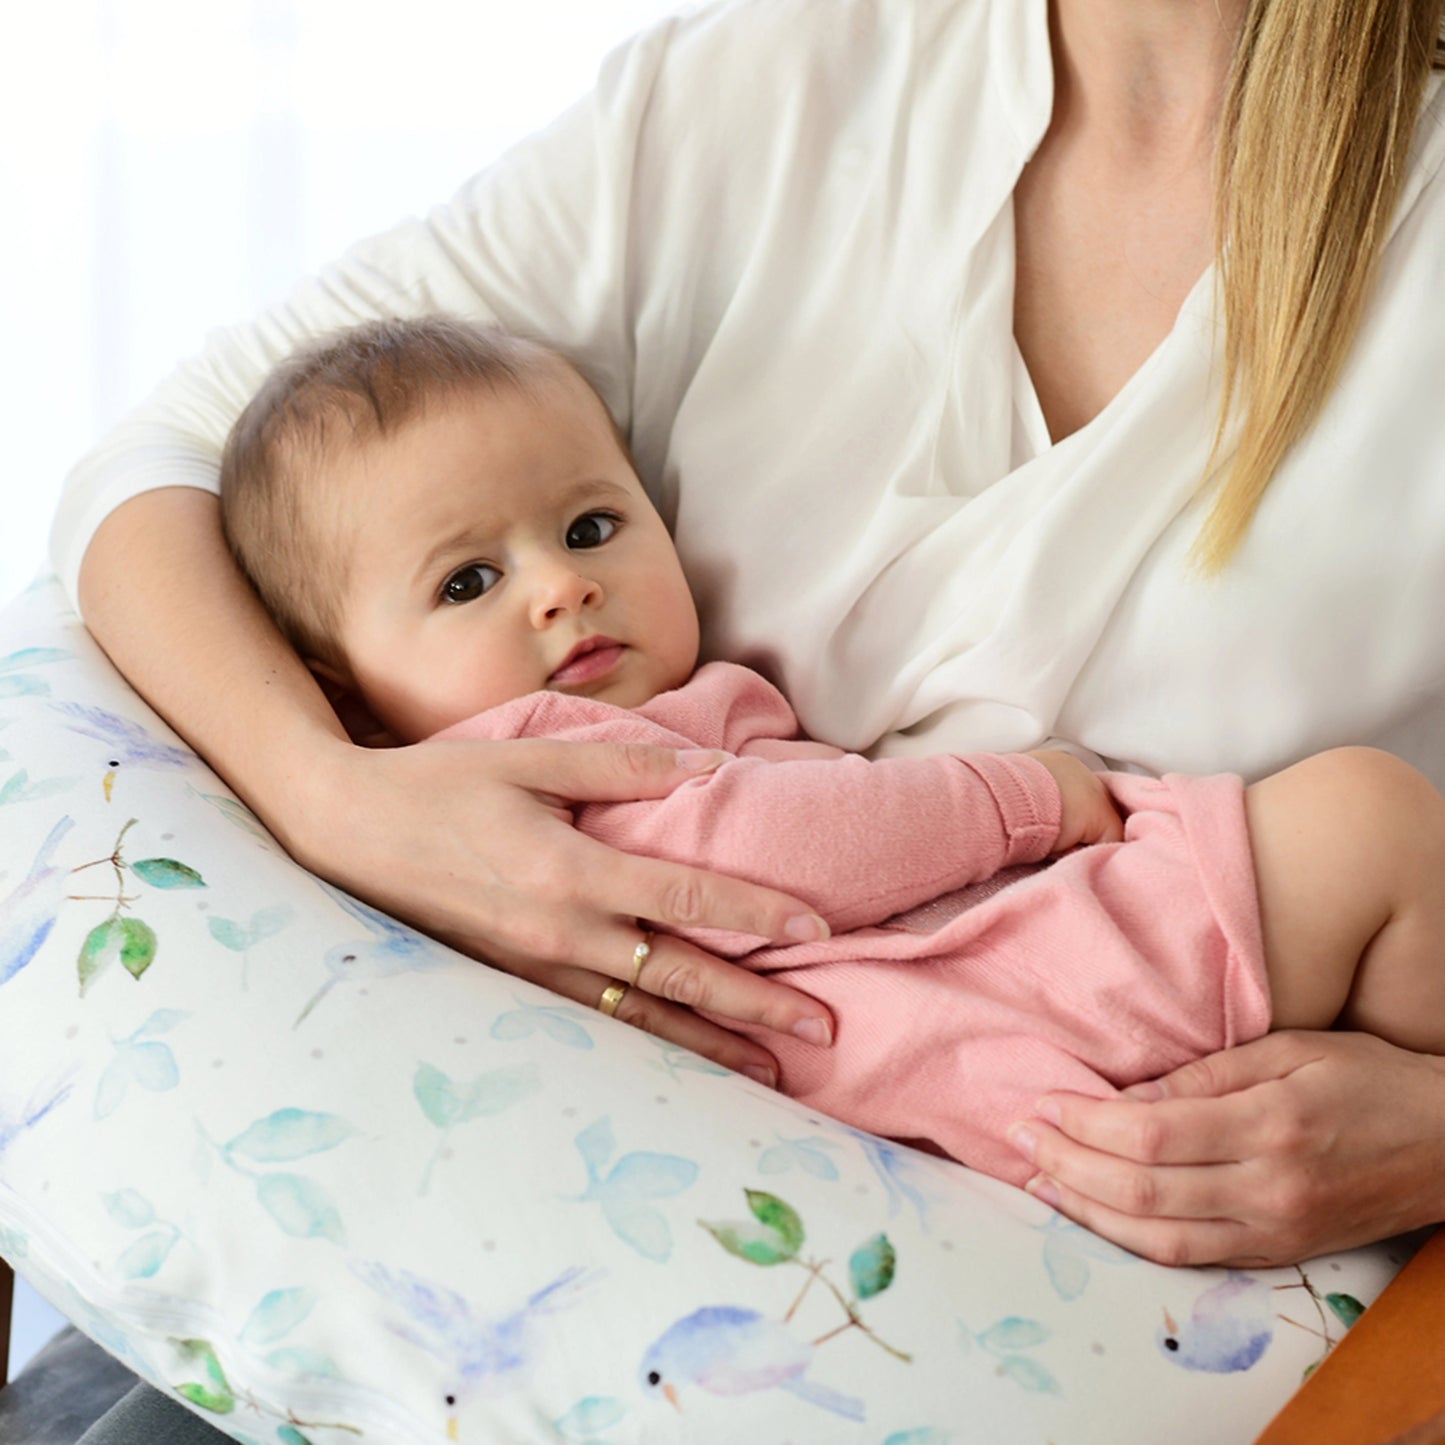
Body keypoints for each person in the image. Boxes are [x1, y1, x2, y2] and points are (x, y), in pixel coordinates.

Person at [52, 0, 1445, 1268]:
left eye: (588, 531)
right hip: (638, 1213)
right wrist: (332, 797)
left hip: (1155, 1208)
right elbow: (166, 462)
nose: (552, 587)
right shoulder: (773, 88)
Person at [213, 311, 1445, 1189]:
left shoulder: (637, 709)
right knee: (1367, 818)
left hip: (977, 1009)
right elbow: (780, 849)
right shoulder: (536, 756)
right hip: (998, 995)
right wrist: (1025, 799)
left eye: (591, 526)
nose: (560, 590)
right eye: (468, 579)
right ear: (352, 699)